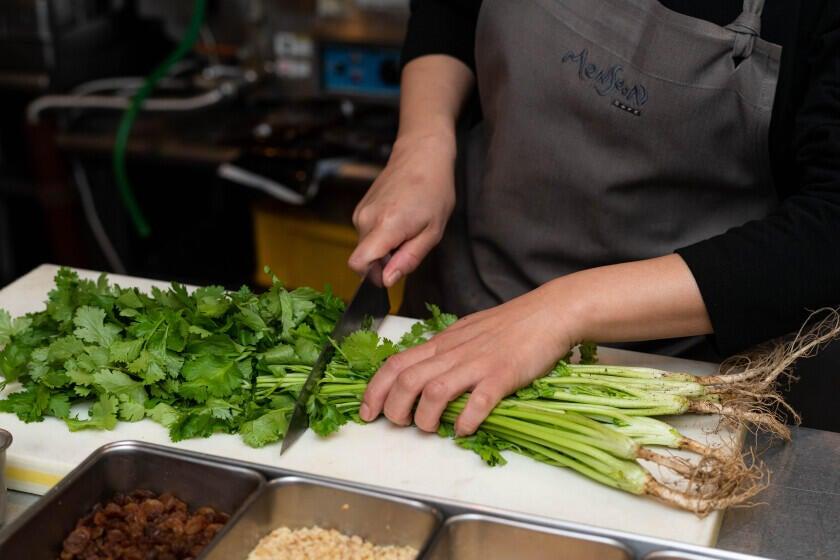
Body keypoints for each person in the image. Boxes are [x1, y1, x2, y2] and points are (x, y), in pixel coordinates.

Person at [347, 0, 840, 436]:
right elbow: (449, 10)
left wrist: (562, 311)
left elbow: (827, 230)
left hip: (654, 386)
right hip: (453, 316)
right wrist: (421, 140)